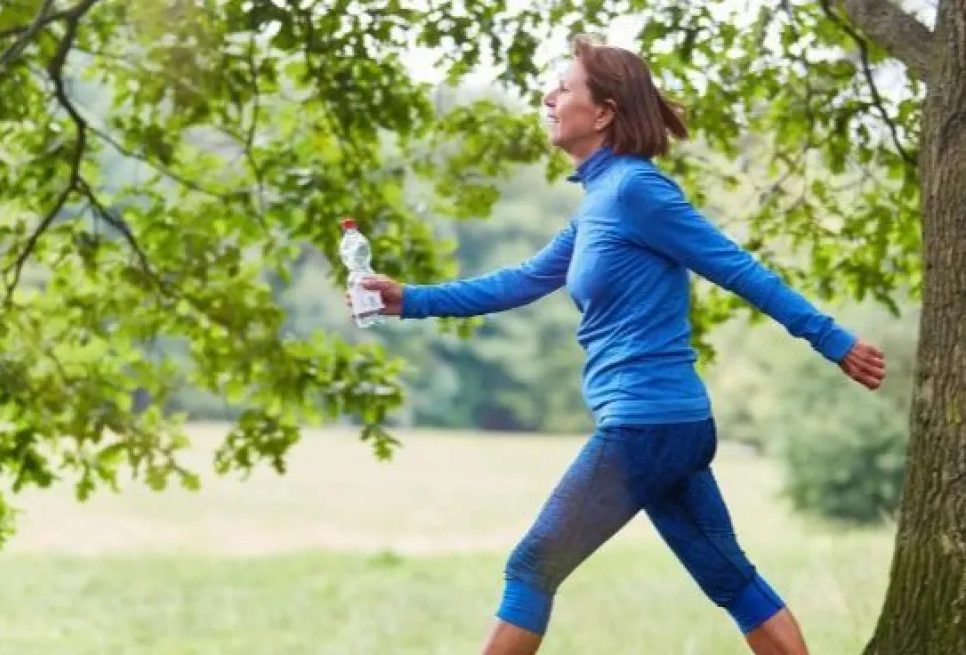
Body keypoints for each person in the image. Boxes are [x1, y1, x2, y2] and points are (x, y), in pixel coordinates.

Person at [348, 35, 886, 655]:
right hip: (666, 425)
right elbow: (521, 281)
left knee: (532, 566)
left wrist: (832, 339)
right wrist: (408, 299)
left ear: (602, 111)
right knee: (728, 577)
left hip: (647, 424)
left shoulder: (638, 191)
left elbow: (737, 268)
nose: (549, 97)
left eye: (564, 88)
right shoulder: (599, 202)